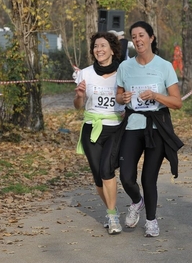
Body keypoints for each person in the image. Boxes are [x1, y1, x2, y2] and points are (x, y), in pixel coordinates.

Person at [115, 21, 183, 237]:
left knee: (148, 178)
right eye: (134, 36)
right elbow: (118, 96)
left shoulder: (164, 66)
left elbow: (177, 102)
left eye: (141, 35)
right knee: (126, 176)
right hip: (133, 126)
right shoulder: (125, 67)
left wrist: (156, 96)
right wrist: (122, 97)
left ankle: (151, 221)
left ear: (151, 38)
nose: (138, 40)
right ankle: (137, 201)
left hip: (156, 128)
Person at [74, 32, 124, 235]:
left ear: (112, 49)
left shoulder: (123, 72)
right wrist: (78, 95)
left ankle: (112, 217)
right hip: (91, 128)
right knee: (97, 177)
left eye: (103, 46)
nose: (99, 50)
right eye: (95, 46)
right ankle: (112, 210)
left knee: (106, 171)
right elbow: (78, 106)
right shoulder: (84, 74)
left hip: (114, 128)